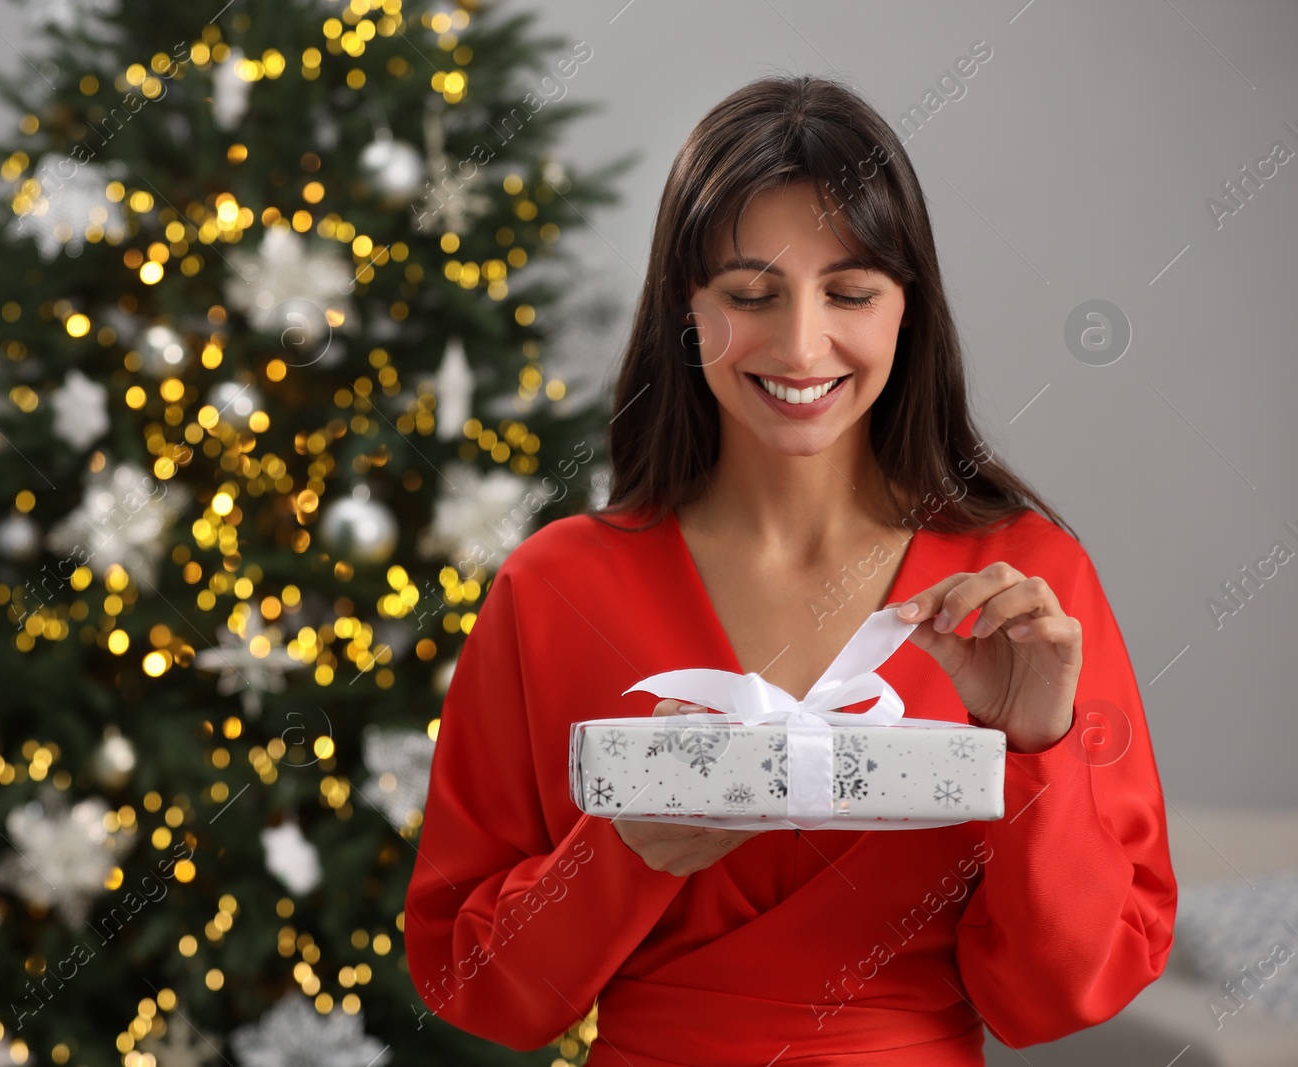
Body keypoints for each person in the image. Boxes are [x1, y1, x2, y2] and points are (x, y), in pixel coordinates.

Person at [403, 74, 1175, 1066]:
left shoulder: (1025, 583)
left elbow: (1067, 989)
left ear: (908, 308)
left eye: (849, 292)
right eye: (749, 295)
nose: (800, 343)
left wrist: (1033, 755)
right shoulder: (553, 588)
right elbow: (474, 985)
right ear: (686, 308)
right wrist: (619, 852)